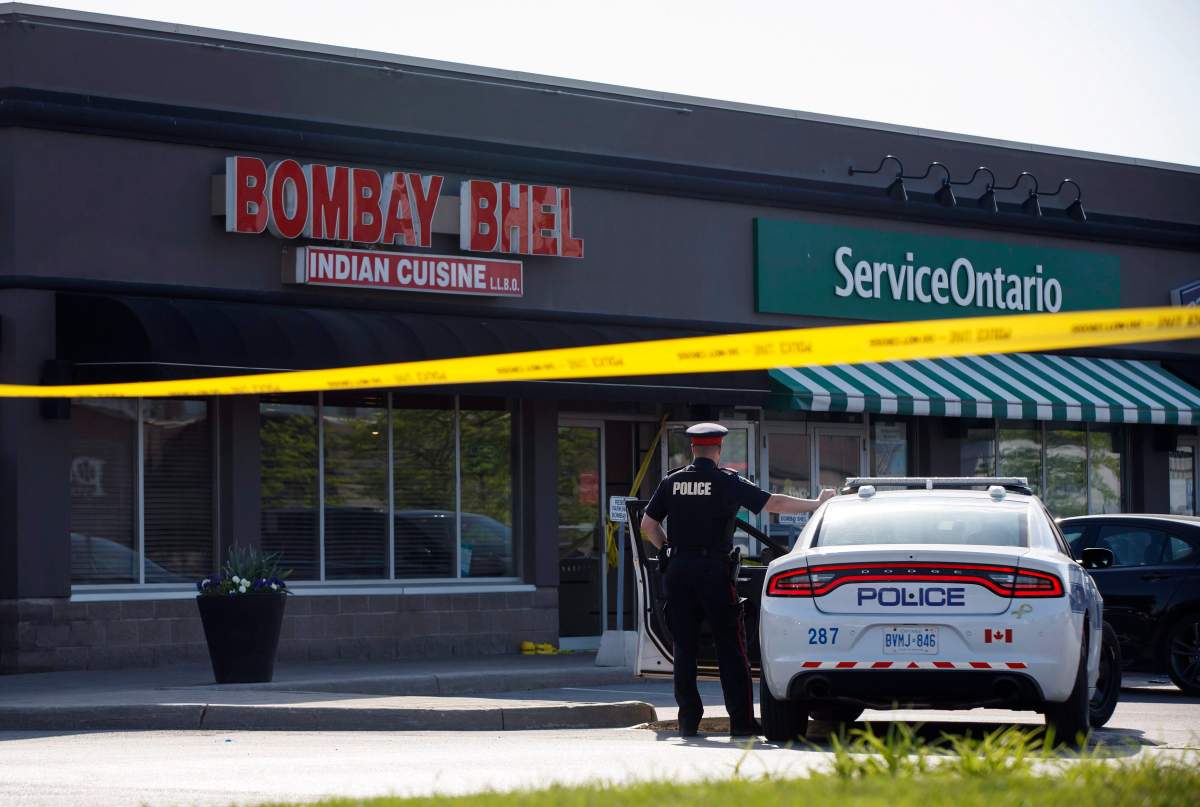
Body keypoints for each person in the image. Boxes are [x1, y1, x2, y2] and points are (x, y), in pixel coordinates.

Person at [639, 422, 835, 738]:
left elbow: (648, 524)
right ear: (718, 450)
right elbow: (775, 504)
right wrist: (817, 504)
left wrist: (669, 550)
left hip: (679, 571)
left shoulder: (672, 482)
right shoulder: (725, 481)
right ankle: (741, 722)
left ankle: (688, 722)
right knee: (731, 648)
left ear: (693, 449)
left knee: (685, 648)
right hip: (714, 572)